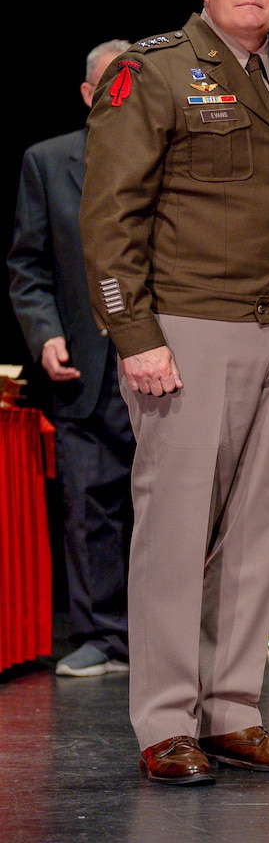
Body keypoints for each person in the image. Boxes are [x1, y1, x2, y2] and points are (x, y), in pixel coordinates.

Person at [79, 0, 269, 785]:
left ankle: (232, 710)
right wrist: (132, 333)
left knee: (262, 536)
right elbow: (109, 219)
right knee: (176, 535)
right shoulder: (152, 73)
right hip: (186, 331)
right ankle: (165, 721)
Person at [9, 39, 136, 678]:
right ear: (89, 94)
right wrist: (45, 332)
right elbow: (27, 265)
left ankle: (174, 641)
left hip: (164, 362)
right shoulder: (48, 161)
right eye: (111, 84)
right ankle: (102, 638)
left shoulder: (173, 157)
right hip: (84, 365)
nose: (123, 93)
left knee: (173, 510)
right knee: (90, 507)